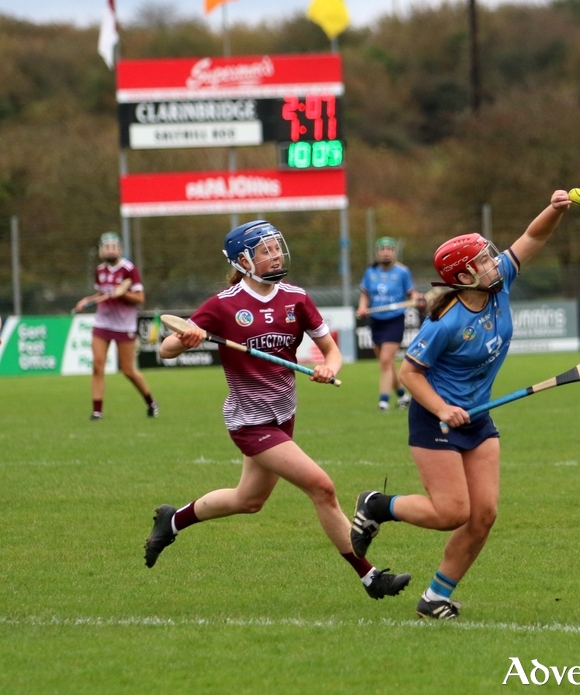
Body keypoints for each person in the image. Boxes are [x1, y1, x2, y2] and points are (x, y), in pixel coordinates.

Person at [144, 220, 411, 601]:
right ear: (243, 260)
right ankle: (370, 578)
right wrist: (188, 339)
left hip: (284, 415)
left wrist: (328, 368)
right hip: (249, 421)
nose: (275, 255)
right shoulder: (223, 305)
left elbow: (331, 352)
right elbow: (165, 349)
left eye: (276, 248)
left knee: (248, 500)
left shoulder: (296, 298)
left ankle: (172, 520)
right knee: (322, 487)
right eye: (265, 250)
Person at [349, 191, 573, 619]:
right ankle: (377, 505)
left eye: (491, 257)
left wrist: (555, 209)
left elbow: (532, 236)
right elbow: (409, 373)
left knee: (483, 514)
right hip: (437, 419)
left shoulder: (500, 280)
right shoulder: (445, 321)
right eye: (484, 261)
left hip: (478, 416)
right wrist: (443, 410)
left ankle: (435, 597)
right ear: (464, 275)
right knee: (451, 512)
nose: (495, 262)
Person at [73, 232, 158, 420]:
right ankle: (97, 411)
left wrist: (122, 294)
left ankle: (151, 401)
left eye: (113, 247)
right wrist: (87, 300)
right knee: (97, 365)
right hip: (102, 323)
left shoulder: (129, 270)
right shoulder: (100, 270)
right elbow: (101, 294)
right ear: (101, 251)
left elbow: (140, 298)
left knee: (128, 370)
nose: (110, 250)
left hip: (124, 325)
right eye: (106, 247)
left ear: (120, 249)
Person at [356, 237, 422, 411]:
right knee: (387, 364)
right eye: (382, 249)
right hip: (376, 320)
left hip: (395, 320)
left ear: (394, 252)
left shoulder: (402, 272)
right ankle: (402, 396)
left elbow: (412, 294)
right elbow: (365, 294)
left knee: (386, 360)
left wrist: (417, 299)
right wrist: (362, 307)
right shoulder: (370, 271)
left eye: (389, 249)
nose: (386, 251)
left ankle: (383, 401)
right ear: (377, 252)